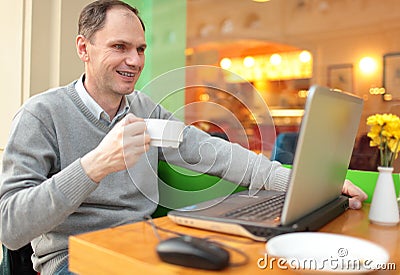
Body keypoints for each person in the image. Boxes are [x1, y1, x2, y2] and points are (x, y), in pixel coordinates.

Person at [0, 1, 367, 274]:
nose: (134, 60)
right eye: (119, 47)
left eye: (140, 49)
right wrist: (93, 166)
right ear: (84, 48)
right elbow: (10, 228)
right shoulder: (41, 115)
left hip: (144, 245)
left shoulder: (145, 108)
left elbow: (211, 152)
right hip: (74, 259)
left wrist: (304, 183)